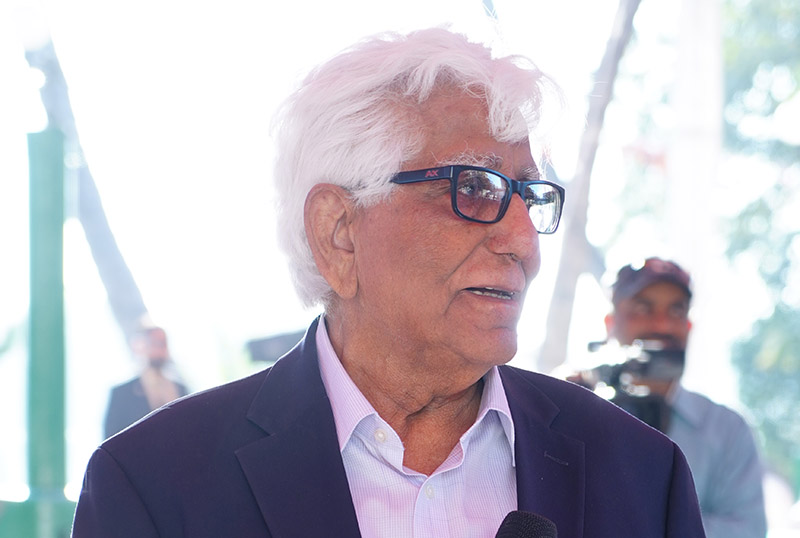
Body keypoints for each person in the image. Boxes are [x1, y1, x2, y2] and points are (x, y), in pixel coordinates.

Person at [71, 28, 706, 537]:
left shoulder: (644, 476)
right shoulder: (154, 485)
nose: (523, 240)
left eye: (531, 196)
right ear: (339, 232)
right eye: (474, 187)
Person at [594, 257, 767, 537]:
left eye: (676, 311)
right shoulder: (575, 410)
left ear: (688, 326)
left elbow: (747, 531)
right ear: (610, 323)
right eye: (642, 308)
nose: (662, 325)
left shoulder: (727, 430)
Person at [103, 324, 189, 438]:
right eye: (154, 343)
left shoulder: (181, 390)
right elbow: (110, 440)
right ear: (140, 346)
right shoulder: (122, 393)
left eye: (163, 344)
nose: (160, 350)